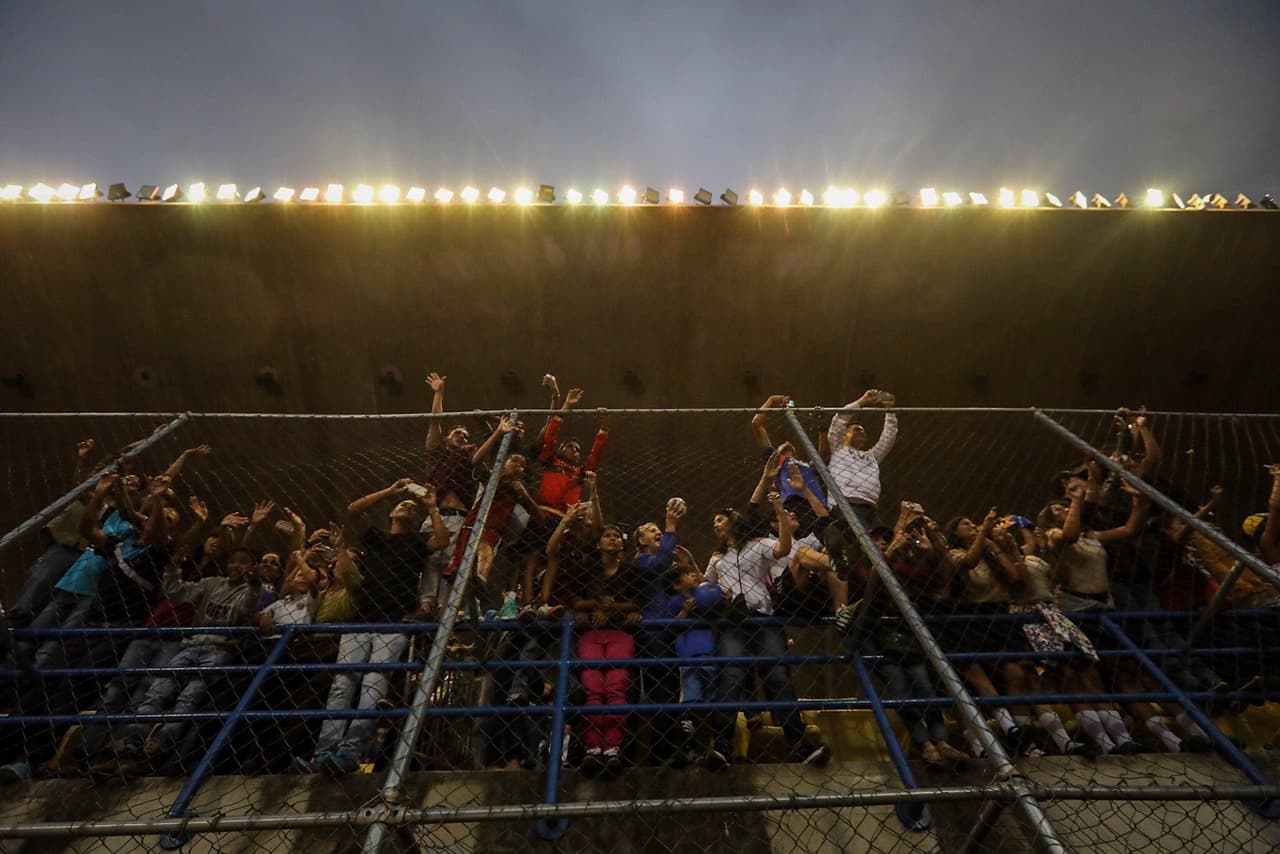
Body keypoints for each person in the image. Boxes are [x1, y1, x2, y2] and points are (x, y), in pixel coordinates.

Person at [295, 479, 448, 776]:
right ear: (391, 512)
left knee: (373, 684)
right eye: (403, 504)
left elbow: (441, 540)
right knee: (342, 684)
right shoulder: (377, 537)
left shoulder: (417, 542)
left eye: (412, 507)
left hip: (393, 621)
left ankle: (350, 752)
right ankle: (323, 753)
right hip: (362, 619)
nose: (408, 507)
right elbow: (353, 510)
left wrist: (431, 507)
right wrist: (390, 492)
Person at [96, 545, 263, 773]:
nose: (236, 566)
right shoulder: (212, 583)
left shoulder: (250, 590)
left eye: (243, 562)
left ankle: (160, 743)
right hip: (192, 644)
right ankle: (133, 741)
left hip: (220, 648)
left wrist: (254, 582)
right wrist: (173, 568)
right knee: (158, 690)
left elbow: (246, 606)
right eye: (233, 561)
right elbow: (177, 591)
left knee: (189, 697)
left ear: (252, 567)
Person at [704, 478, 830, 770]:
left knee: (777, 676)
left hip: (762, 617)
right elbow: (704, 585)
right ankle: (721, 746)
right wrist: (716, 590)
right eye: (714, 523)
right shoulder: (718, 557)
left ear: (734, 522)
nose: (716, 525)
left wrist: (780, 513)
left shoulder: (757, 545)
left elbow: (784, 548)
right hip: (732, 621)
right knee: (731, 677)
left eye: (720, 520)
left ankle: (799, 745)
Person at [572, 523, 643, 775]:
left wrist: (613, 608)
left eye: (616, 536)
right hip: (592, 633)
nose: (612, 539)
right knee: (593, 687)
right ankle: (593, 747)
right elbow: (576, 601)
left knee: (616, 685)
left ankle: (612, 746)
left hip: (619, 633)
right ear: (598, 543)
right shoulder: (587, 569)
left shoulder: (630, 571)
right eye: (607, 536)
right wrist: (595, 605)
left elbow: (636, 602)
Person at [418, 371, 480, 617]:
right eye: (457, 433)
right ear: (447, 439)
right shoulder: (437, 455)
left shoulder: (470, 461)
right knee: (430, 562)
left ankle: (448, 611)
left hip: (461, 518)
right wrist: (439, 394)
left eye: (466, 435)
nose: (462, 437)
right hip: (437, 515)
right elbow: (435, 423)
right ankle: (426, 606)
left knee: (454, 566)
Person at [630, 496, 685, 764]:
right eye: (652, 531)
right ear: (641, 541)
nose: (658, 532)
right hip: (653, 634)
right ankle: (662, 752)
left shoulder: (660, 568)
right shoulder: (642, 562)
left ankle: (668, 748)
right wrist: (670, 526)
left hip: (667, 632)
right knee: (662, 689)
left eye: (659, 530)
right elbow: (661, 562)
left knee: (671, 689)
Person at [664, 553, 718, 767]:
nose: (693, 575)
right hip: (688, 655)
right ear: (677, 585)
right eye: (687, 574)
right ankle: (688, 742)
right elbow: (672, 626)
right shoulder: (676, 600)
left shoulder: (706, 594)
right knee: (691, 696)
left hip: (710, 653)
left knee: (712, 699)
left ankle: (712, 749)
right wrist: (685, 611)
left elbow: (713, 593)